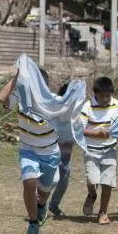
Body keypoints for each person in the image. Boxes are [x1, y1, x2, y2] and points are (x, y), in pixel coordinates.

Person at [0, 67, 60, 234]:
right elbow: (2, 98)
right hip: (28, 150)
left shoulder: (54, 102)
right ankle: (33, 224)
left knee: (44, 191)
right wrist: (16, 78)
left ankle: (41, 205)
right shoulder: (21, 99)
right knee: (29, 182)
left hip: (50, 152)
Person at [80, 77, 118, 225]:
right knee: (92, 180)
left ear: (112, 93)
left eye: (108, 95)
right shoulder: (87, 107)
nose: (105, 99)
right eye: (101, 96)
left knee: (107, 183)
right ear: (95, 94)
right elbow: (79, 130)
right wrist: (97, 134)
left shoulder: (117, 106)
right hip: (91, 150)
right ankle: (92, 195)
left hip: (109, 150)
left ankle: (103, 212)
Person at [48, 83, 74, 218]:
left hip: (66, 151)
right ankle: (38, 200)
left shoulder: (77, 110)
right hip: (51, 148)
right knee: (51, 178)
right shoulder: (55, 106)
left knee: (63, 178)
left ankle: (54, 204)